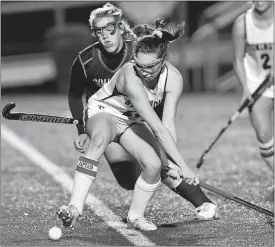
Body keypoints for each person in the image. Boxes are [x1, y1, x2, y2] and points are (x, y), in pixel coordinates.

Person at [59, 3, 217, 231]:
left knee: (154, 166)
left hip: (132, 120)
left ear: (164, 60)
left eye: (151, 67)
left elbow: (167, 124)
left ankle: (135, 217)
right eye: (140, 66)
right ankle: (74, 208)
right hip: (105, 111)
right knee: (101, 138)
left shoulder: (174, 79)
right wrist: (184, 166)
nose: (145, 72)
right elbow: (157, 128)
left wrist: (172, 162)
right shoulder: (130, 76)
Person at [232, 1, 274, 174]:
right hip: (258, 84)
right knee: (263, 137)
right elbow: (237, 60)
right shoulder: (242, 23)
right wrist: (245, 89)